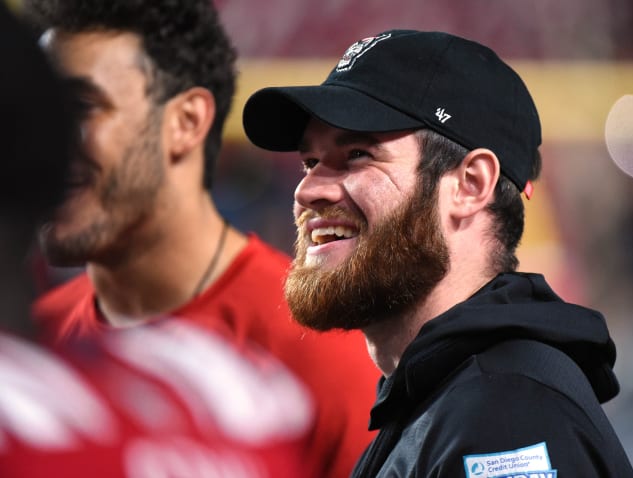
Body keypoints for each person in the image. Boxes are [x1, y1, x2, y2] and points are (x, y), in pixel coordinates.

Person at [242, 29, 633, 477]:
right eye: (310, 162)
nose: (307, 190)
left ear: (470, 185)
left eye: (357, 154)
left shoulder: (505, 416)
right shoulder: (453, 399)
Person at [22, 1, 379, 476]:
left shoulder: (325, 354)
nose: (45, 139)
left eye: (82, 106)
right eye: (43, 112)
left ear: (187, 121)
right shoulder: (33, 351)